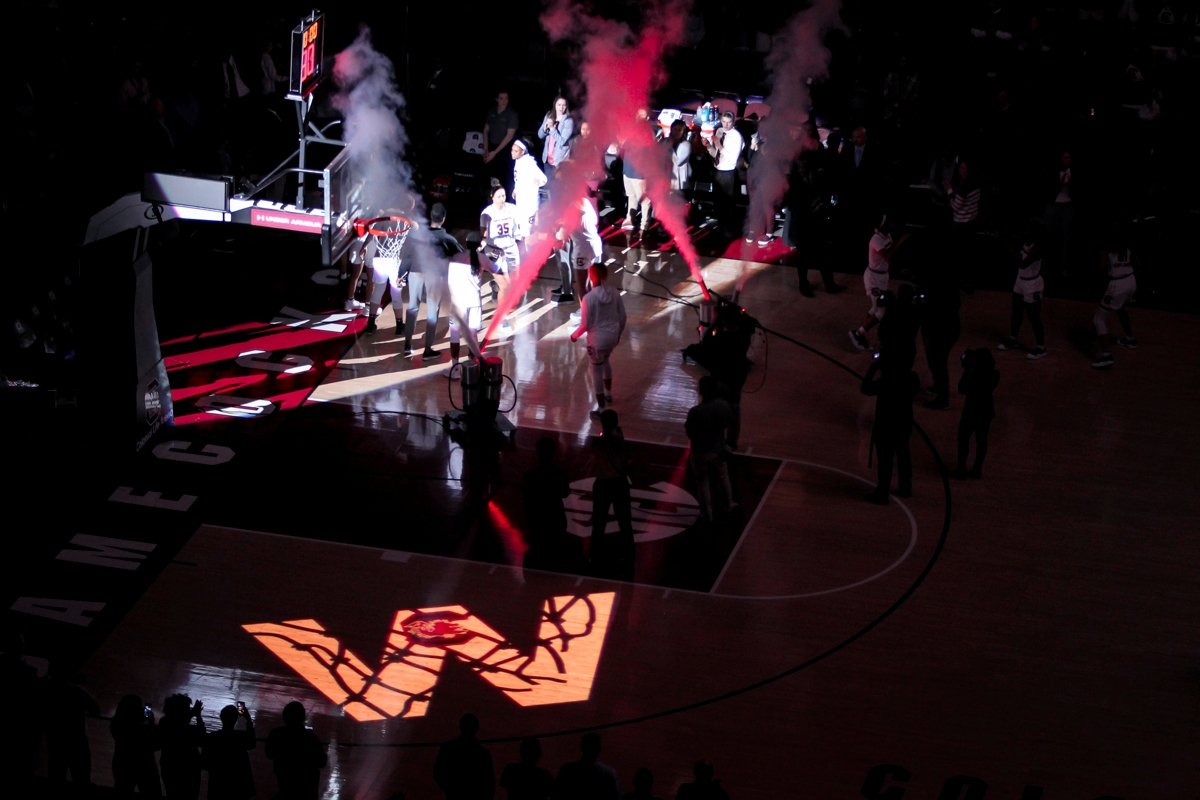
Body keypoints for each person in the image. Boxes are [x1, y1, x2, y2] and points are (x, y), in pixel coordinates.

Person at [405, 203, 465, 358]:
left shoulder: (419, 235)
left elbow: (408, 255)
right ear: (443, 219)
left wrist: (401, 273)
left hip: (415, 271)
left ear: (430, 217)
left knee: (412, 308)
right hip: (435, 275)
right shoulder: (447, 238)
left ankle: (407, 345)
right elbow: (463, 255)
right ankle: (427, 350)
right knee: (432, 311)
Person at [861, 353, 919, 505]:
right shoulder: (912, 379)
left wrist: (873, 368)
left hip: (886, 426)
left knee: (885, 461)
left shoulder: (886, 382)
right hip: (903, 424)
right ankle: (906, 487)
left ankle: (882, 493)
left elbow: (865, 388)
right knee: (903, 455)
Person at [570, 263, 626, 418]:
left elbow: (585, 325)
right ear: (606, 275)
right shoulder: (615, 293)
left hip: (596, 340)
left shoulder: (588, 298)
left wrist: (574, 336)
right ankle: (608, 394)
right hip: (612, 337)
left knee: (596, 371)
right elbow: (623, 317)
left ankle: (601, 409)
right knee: (606, 361)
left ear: (591, 276)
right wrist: (618, 334)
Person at [784, 154, 845, 297]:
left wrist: (822, 204)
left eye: (804, 166)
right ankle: (803, 285)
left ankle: (830, 285)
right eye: (799, 167)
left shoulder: (817, 176)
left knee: (824, 254)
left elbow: (825, 192)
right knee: (804, 257)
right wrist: (811, 207)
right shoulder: (792, 182)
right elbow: (791, 203)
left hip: (819, 221)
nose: (802, 169)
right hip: (803, 223)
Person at [587, 410, 635, 580]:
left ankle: (595, 554)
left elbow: (592, 462)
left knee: (598, 522)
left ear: (603, 424)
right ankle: (628, 556)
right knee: (625, 522)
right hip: (619, 485)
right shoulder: (624, 445)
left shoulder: (596, 443)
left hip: (602, 485)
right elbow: (628, 466)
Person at [849, 215, 907, 351]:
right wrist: (901, 241)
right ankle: (858, 334)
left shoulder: (887, 236)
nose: (891, 223)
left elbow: (890, 251)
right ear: (883, 226)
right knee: (882, 310)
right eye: (888, 222)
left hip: (882, 277)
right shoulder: (876, 240)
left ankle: (861, 333)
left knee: (875, 309)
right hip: (873, 278)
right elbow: (887, 256)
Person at [685, 376, 736, 522]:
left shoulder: (695, 412)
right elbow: (728, 424)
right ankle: (729, 506)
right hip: (719, 451)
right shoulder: (724, 406)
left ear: (701, 391)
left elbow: (690, 433)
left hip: (699, 452)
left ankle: (706, 514)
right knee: (723, 478)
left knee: (702, 483)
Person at [445, 246, 499, 378]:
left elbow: (448, 280)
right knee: (473, 334)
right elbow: (496, 269)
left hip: (458, 300)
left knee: (455, 334)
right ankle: (471, 366)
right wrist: (498, 258)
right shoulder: (482, 258)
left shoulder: (456, 257)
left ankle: (455, 368)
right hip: (474, 301)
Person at [45, 666, 100, 794]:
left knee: (56, 778)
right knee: (81, 779)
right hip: (76, 742)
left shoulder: (46, 690)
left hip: (55, 740)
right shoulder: (77, 691)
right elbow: (95, 710)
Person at [521, 439, 573, 571]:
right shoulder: (560, 474)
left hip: (537, 520)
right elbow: (565, 493)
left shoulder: (530, 475)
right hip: (555, 519)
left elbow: (525, 497)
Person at [998, 230, 1048, 359]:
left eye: (1028, 229)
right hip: (1020, 280)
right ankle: (1013, 339)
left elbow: (1023, 264)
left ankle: (1041, 348)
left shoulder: (1038, 247)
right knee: (1016, 311)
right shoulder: (1025, 241)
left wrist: (1007, 246)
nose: (1025, 231)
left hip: (1033, 284)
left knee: (1033, 316)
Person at [265, 701, 327, 800]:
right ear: (303, 717)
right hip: (307, 790)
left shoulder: (276, 734)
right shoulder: (312, 738)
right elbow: (321, 762)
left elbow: (269, 753)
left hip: (285, 785)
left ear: (285, 717)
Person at [1092, 238, 1139, 369]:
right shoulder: (1127, 246)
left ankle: (1107, 356)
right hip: (1131, 281)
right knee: (1121, 308)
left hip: (1117, 285)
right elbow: (1139, 264)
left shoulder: (1105, 249)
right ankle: (1130, 339)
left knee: (1098, 319)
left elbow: (1101, 270)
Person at [956, 349, 1001, 479]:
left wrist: (967, 370)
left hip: (971, 410)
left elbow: (961, 389)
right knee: (981, 440)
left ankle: (961, 469)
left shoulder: (972, 374)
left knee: (963, 439)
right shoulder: (995, 375)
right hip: (986, 411)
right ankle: (977, 469)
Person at [480, 182, 519, 334]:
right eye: (499, 196)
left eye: (503, 195)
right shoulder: (486, 213)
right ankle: (501, 318)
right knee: (506, 285)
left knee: (514, 281)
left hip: (511, 248)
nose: (502, 199)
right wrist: (483, 246)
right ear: (492, 197)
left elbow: (518, 227)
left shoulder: (512, 209)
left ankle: (495, 287)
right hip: (494, 251)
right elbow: (483, 234)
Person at [433, 713, 495, 800]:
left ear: (460, 727)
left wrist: (450, 787)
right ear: (477, 728)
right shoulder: (483, 753)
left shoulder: (447, 748)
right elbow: (490, 783)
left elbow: (437, 773)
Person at [111, 694, 162, 797]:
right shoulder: (143, 730)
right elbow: (157, 744)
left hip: (122, 763)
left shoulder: (115, 725)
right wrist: (152, 724)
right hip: (145, 766)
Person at [202, 704, 256, 800]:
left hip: (218, 784)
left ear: (221, 718)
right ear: (235, 719)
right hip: (238, 785)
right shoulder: (240, 737)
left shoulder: (213, 737)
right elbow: (251, 743)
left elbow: (204, 763)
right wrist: (248, 719)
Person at [158, 694, 206, 800]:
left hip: (169, 768)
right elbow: (203, 739)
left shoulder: (164, 723)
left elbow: (177, 721)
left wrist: (192, 713)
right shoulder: (190, 731)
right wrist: (197, 715)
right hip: (190, 770)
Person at [706, 111, 744, 238]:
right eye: (723, 122)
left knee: (728, 206)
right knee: (718, 204)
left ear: (733, 122)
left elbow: (732, 159)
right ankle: (720, 229)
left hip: (728, 173)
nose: (726, 125)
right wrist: (708, 147)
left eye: (728, 122)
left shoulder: (736, 137)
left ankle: (729, 233)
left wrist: (719, 145)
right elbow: (715, 154)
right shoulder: (719, 132)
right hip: (717, 171)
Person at [554, 733, 622, 800]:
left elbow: (557, 793)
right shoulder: (609, 773)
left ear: (582, 747)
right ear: (599, 749)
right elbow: (615, 796)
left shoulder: (567, 769)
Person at [566, 197, 603, 312]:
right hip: (596, 245)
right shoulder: (585, 201)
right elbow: (595, 221)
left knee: (582, 286)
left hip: (582, 248)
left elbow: (562, 234)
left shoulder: (568, 209)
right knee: (595, 283)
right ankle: (596, 312)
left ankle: (586, 317)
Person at [511, 139, 548, 244]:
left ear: (522, 152)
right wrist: (515, 190)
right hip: (521, 199)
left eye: (516, 151)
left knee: (527, 229)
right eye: (512, 150)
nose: (512, 153)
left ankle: (530, 253)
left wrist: (538, 181)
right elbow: (518, 179)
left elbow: (543, 179)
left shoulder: (530, 163)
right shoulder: (518, 162)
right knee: (519, 225)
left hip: (529, 201)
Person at [483, 91, 519, 196]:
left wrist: (495, 152)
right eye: (501, 98)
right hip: (492, 147)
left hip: (506, 149)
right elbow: (485, 130)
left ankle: (506, 200)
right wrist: (486, 148)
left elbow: (509, 135)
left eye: (506, 98)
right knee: (489, 176)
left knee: (506, 178)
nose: (504, 101)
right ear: (497, 99)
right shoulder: (492, 111)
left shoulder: (511, 114)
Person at [537, 97, 574, 181]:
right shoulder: (549, 115)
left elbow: (561, 141)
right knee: (549, 185)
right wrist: (545, 128)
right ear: (555, 105)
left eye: (564, 105)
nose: (561, 108)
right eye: (559, 105)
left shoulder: (568, 121)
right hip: (547, 159)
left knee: (559, 186)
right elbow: (540, 135)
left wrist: (552, 129)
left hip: (560, 161)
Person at [668, 119, 692, 195]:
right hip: (665, 179)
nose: (677, 132)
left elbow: (677, 162)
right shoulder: (665, 141)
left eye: (680, 130)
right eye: (675, 129)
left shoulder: (686, 145)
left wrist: (670, 147)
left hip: (678, 180)